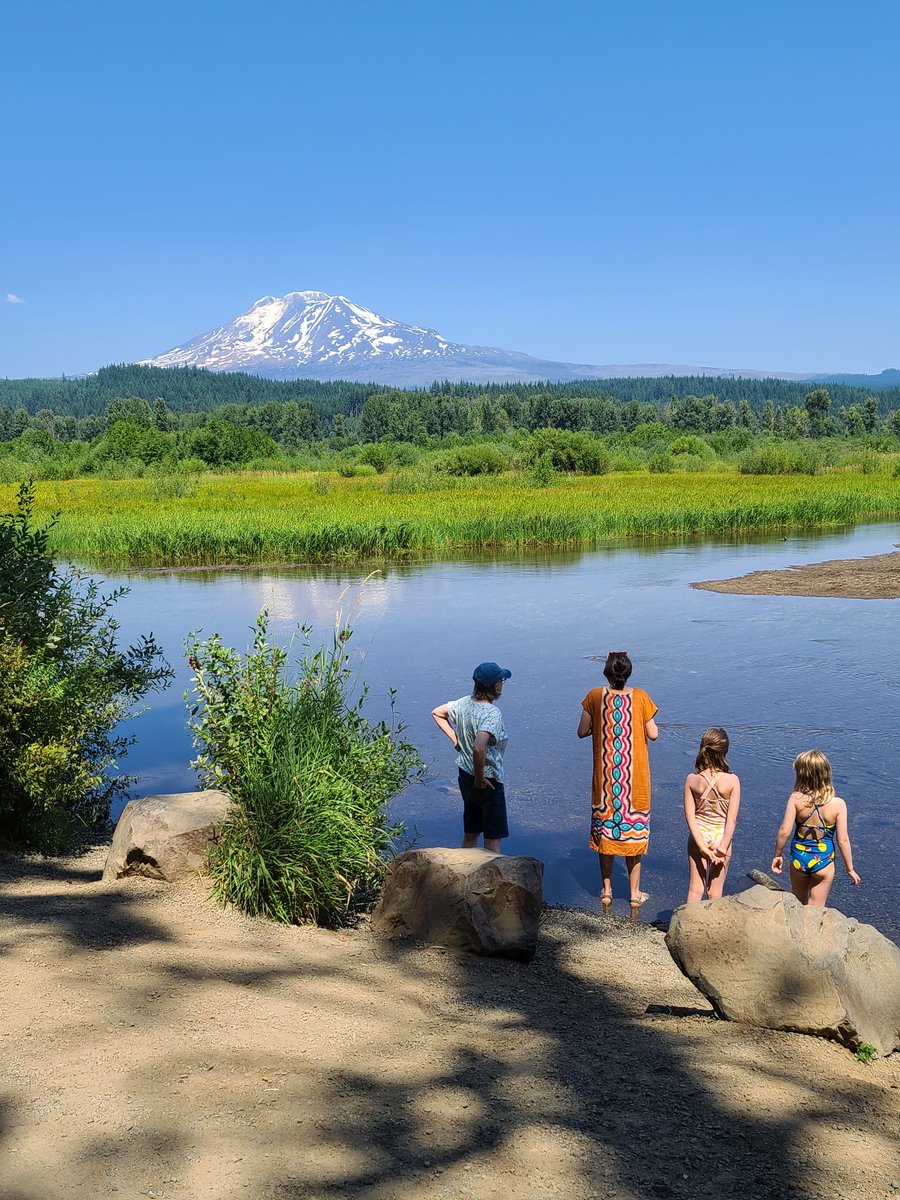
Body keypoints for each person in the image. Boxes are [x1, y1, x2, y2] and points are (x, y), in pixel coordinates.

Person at [577, 651, 658, 906]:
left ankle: (606, 890)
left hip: (606, 782)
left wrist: (600, 726)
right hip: (635, 783)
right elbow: (653, 734)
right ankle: (634, 895)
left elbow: (581, 732)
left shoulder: (594, 696)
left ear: (606, 674)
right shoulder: (642, 697)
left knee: (606, 835)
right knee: (633, 836)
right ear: (629, 673)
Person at [431, 661, 512, 853]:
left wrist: (456, 740)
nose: (503, 684)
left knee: (471, 832)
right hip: (487, 780)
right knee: (492, 838)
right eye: (502, 681)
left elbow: (437, 712)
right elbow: (479, 747)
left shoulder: (463, 703)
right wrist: (480, 778)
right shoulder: (492, 713)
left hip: (465, 775)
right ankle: (491, 880)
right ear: (496, 686)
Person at [771, 749, 860, 906]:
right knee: (816, 910)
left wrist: (777, 854)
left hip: (799, 859)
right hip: (824, 861)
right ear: (826, 773)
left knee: (798, 905)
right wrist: (850, 869)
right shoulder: (838, 804)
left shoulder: (796, 799)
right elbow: (843, 840)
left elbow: (785, 831)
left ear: (801, 774)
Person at [682, 727, 741, 903]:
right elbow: (731, 819)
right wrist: (723, 846)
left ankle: (688, 927)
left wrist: (701, 845)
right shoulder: (732, 781)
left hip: (699, 834)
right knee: (714, 892)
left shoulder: (692, 779)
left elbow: (689, 816)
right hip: (721, 836)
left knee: (695, 889)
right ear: (725, 751)